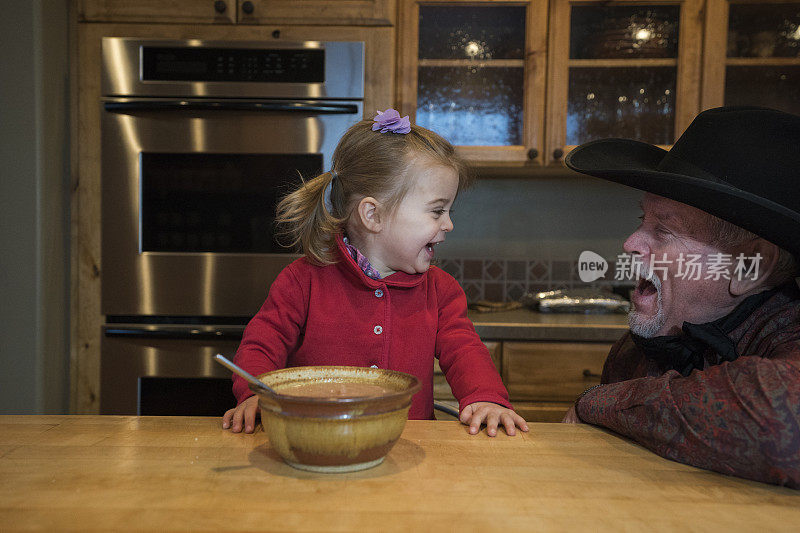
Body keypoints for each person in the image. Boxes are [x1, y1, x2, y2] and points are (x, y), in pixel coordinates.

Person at [222, 109, 528, 437]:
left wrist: (487, 397)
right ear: (373, 214)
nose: (449, 224)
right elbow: (261, 345)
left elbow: (464, 348)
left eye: (449, 211)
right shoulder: (302, 281)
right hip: (315, 442)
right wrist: (254, 394)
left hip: (406, 450)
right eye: (437, 211)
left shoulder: (441, 290)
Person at [563, 106, 800, 488]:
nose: (630, 244)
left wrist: (597, 401)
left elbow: (786, 424)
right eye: (643, 221)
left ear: (750, 266)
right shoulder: (636, 348)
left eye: (664, 230)